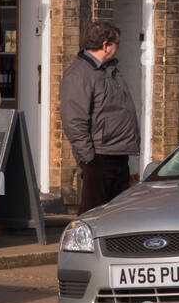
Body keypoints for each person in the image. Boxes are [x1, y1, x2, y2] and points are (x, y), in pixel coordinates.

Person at [59, 21, 141, 215]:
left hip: (117, 153)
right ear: (105, 45)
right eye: (116, 44)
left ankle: (117, 246)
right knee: (93, 214)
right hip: (99, 156)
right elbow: (74, 120)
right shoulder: (80, 75)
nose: (117, 49)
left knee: (116, 214)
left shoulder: (110, 70)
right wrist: (89, 158)